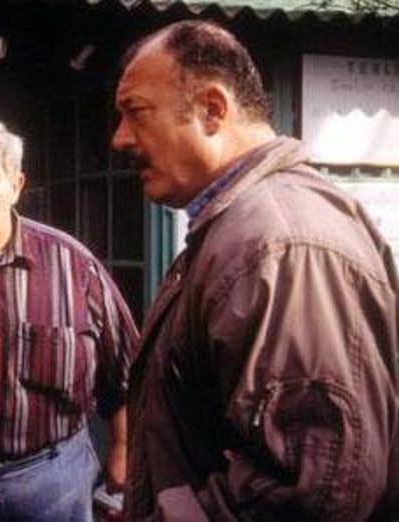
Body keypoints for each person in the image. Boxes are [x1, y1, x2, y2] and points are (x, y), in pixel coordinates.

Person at [112, 20, 399, 521]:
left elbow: (316, 489)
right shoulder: (246, 230)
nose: (120, 139)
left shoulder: (278, 243)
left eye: (136, 112)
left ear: (212, 109)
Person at [0, 114, 140, 521]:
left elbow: (130, 373)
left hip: (53, 480)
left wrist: (125, 448)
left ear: (16, 185)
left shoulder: (72, 264)